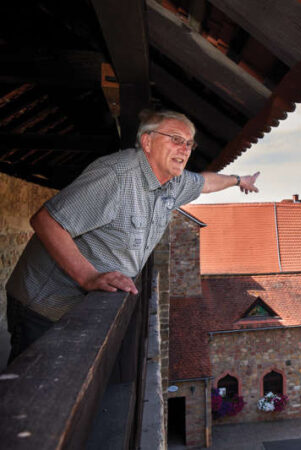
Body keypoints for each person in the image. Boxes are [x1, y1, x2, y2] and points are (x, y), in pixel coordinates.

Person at [5, 110, 259, 363]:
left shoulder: (173, 181)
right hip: (43, 307)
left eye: (189, 143)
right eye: (175, 139)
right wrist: (89, 276)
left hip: (83, 310)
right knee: (34, 391)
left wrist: (239, 180)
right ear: (147, 141)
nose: (184, 149)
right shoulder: (116, 175)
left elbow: (205, 182)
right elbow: (46, 221)